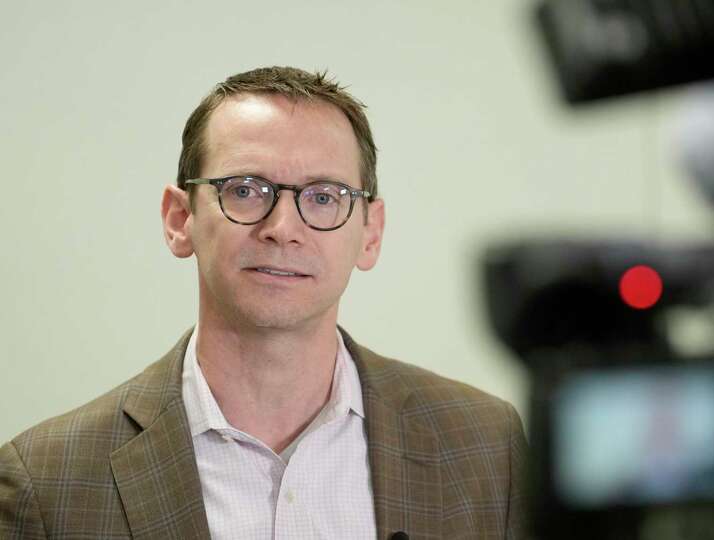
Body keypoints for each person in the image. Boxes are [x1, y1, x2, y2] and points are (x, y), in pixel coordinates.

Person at [0, 66, 527, 539]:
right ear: (180, 220)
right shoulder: (46, 481)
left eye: (324, 197)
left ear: (370, 233)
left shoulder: (486, 446)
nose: (283, 230)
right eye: (246, 190)